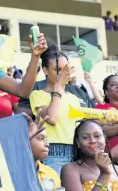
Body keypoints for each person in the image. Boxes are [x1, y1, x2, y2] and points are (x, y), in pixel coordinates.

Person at [29, 44, 81, 174]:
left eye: (65, 69)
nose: (63, 74)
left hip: (75, 153)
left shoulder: (74, 98)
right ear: (45, 70)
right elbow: (52, 119)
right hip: (52, 153)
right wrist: (58, 87)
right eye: (58, 69)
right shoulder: (37, 94)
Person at [61, 119, 118, 191]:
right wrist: (104, 175)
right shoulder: (70, 169)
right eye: (85, 137)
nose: (92, 141)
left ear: (104, 139)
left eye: (97, 136)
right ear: (78, 142)